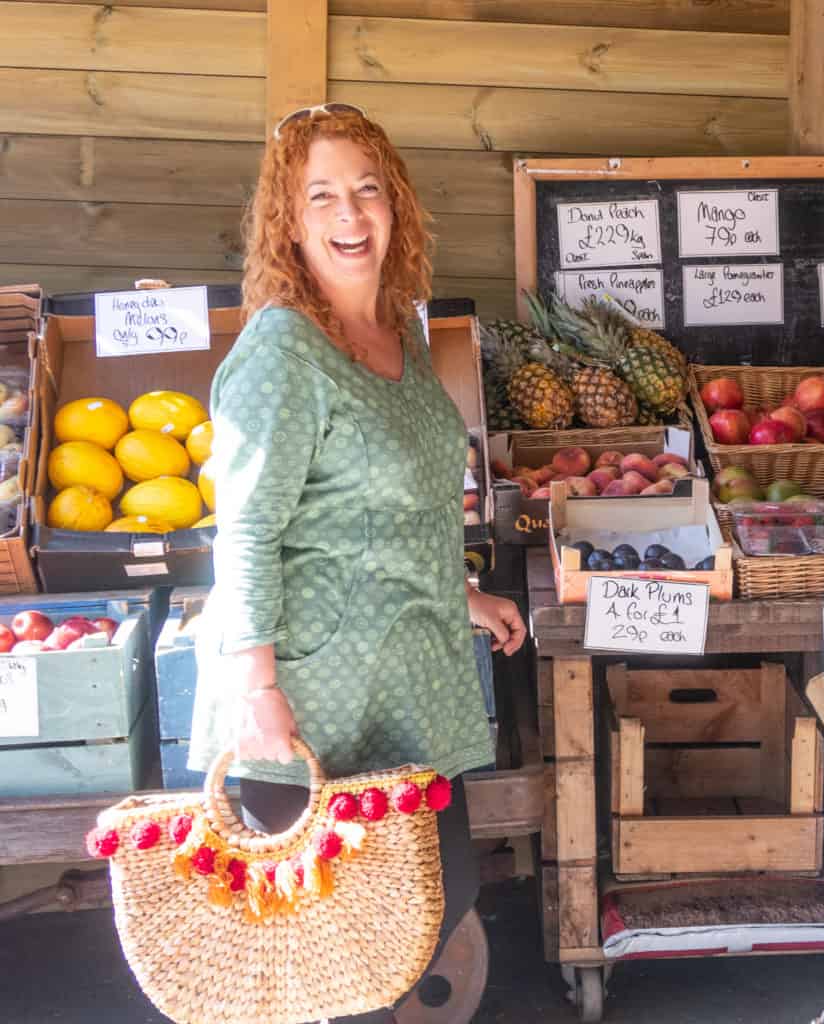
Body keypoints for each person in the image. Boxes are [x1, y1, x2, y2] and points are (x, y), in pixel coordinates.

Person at [187, 102, 527, 1023]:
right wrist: (256, 691)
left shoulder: (403, 341)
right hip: (311, 713)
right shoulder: (282, 351)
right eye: (323, 196)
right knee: (332, 954)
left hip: (409, 688)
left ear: (396, 208)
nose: (350, 216)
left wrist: (461, 594)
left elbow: (384, 509)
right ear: (288, 223)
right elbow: (247, 531)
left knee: (432, 902)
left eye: (367, 191)